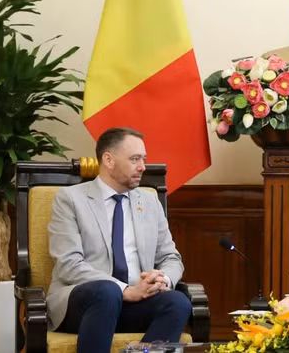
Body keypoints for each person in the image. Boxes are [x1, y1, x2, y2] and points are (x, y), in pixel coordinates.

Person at [47, 127, 190, 352]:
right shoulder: (71, 199)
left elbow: (171, 257)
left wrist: (162, 279)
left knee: (178, 302)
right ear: (108, 160)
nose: (142, 166)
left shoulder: (149, 201)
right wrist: (125, 290)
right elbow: (69, 265)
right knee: (107, 291)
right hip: (85, 304)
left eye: (143, 159)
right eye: (134, 159)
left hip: (136, 302)